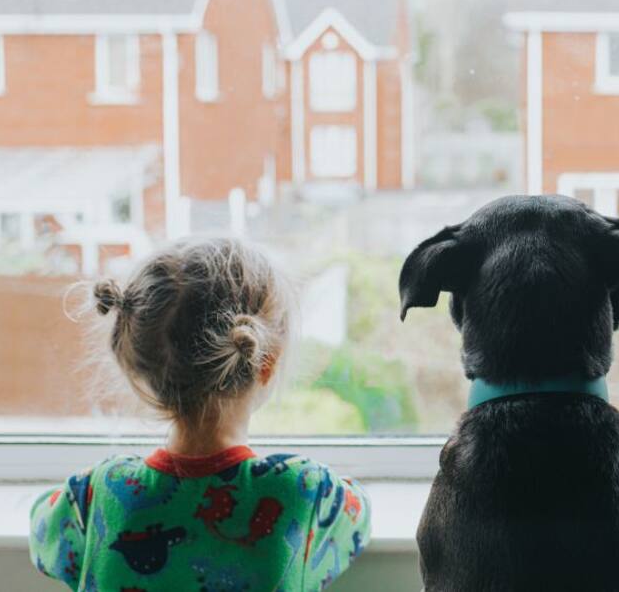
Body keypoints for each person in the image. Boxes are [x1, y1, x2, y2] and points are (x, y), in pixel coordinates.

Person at [28, 238, 369, 590]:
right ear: (265, 363)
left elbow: (42, 534)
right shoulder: (304, 491)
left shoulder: (99, 493)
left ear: (136, 364)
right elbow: (358, 520)